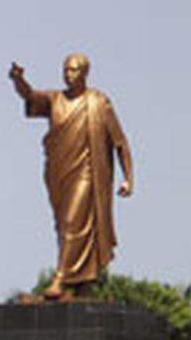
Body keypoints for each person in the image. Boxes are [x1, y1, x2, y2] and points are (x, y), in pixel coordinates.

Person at [8, 54, 133, 300]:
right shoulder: (56, 100)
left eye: (74, 70)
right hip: (59, 172)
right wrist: (18, 81)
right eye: (66, 70)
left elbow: (119, 142)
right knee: (65, 226)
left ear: (85, 73)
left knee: (72, 223)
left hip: (89, 173)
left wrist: (128, 177)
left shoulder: (98, 102)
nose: (68, 75)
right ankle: (82, 283)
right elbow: (30, 96)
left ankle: (60, 279)